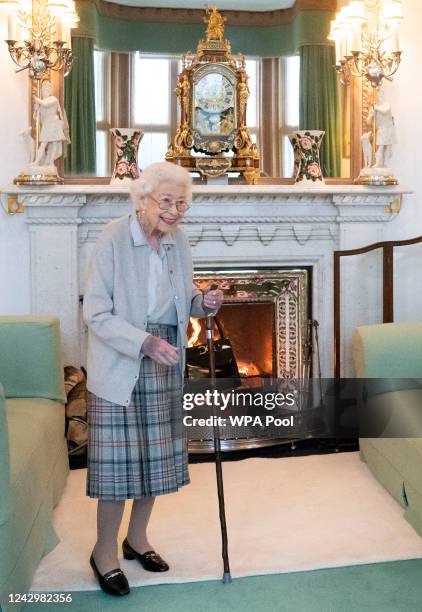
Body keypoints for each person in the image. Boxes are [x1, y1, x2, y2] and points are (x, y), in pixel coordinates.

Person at [83, 162, 224, 596]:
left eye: (182, 203)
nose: (175, 211)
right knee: (117, 468)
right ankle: (104, 551)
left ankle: (137, 539)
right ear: (141, 199)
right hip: (123, 357)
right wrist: (142, 343)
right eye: (166, 201)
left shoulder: (177, 240)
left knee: (155, 462)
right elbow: (96, 313)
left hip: (165, 356)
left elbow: (183, 301)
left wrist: (206, 302)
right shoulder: (112, 238)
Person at [32, 80, 69, 169]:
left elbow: (46, 104)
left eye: (47, 89)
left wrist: (37, 100)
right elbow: (35, 117)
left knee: (55, 144)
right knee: (43, 144)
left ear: (50, 90)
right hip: (46, 125)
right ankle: (36, 162)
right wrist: (36, 109)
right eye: (44, 89)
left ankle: (51, 163)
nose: (45, 91)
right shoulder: (41, 102)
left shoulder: (53, 99)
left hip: (54, 123)